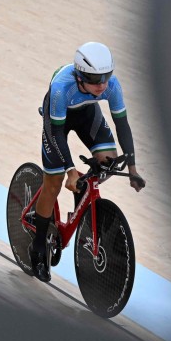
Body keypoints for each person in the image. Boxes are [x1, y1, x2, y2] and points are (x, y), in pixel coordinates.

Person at [29, 42, 143, 283]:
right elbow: (57, 134)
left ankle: (81, 188)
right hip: (57, 121)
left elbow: (122, 124)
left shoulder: (110, 86)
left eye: (105, 78)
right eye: (94, 80)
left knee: (110, 162)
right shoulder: (62, 88)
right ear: (80, 77)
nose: (102, 85)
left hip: (87, 115)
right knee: (54, 181)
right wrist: (70, 170)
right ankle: (38, 246)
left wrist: (132, 167)